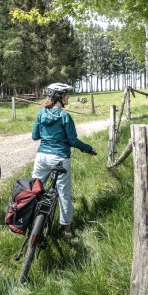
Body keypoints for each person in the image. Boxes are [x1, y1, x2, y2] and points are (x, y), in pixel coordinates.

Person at [31, 83, 97, 238]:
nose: (68, 97)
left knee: (34, 190)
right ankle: (66, 230)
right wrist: (88, 149)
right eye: (66, 95)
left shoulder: (41, 114)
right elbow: (73, 140)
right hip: (60, 158)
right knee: (63, 194)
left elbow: (35, 136)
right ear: (59, 97)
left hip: (41, 158)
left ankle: (29, 220)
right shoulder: (64, 116)